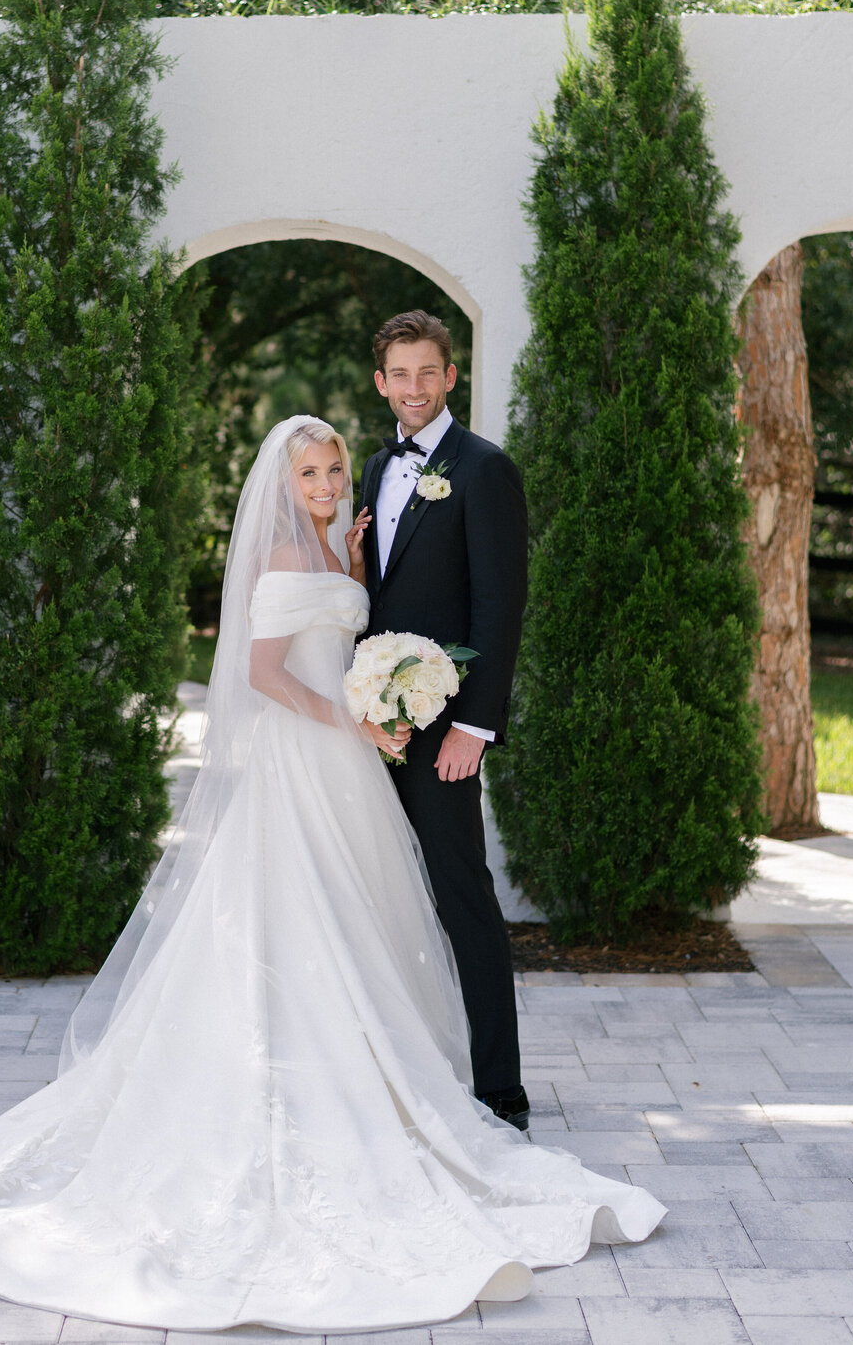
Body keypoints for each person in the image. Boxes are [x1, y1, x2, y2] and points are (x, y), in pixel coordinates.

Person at [0, 415, 663, 1331]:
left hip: (349, 769)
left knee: (360, 920)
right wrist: (355, 719)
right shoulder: (284, 560)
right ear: (282, 483)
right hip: (308, 759)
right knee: (301, 922)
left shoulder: (335, 546)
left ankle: (374, 1076)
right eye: (311, 473)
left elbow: (352, 634)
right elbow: (262, 673)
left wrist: (365, 594)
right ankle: (299, 1085)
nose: (329, 481)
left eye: (336, 467)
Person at [359, 309, 530, 1131]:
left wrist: (474, 727)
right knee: (375, 895)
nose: (415, 388)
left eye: (429, 372)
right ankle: (395, 1074)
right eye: (401, 374)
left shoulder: (484, 470)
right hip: (370, 729)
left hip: (443, 730)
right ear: (381, 381)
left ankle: (501, 1088)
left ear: (450, 377)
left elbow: (500, 607)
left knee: (462, 895)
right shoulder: (370, 467)